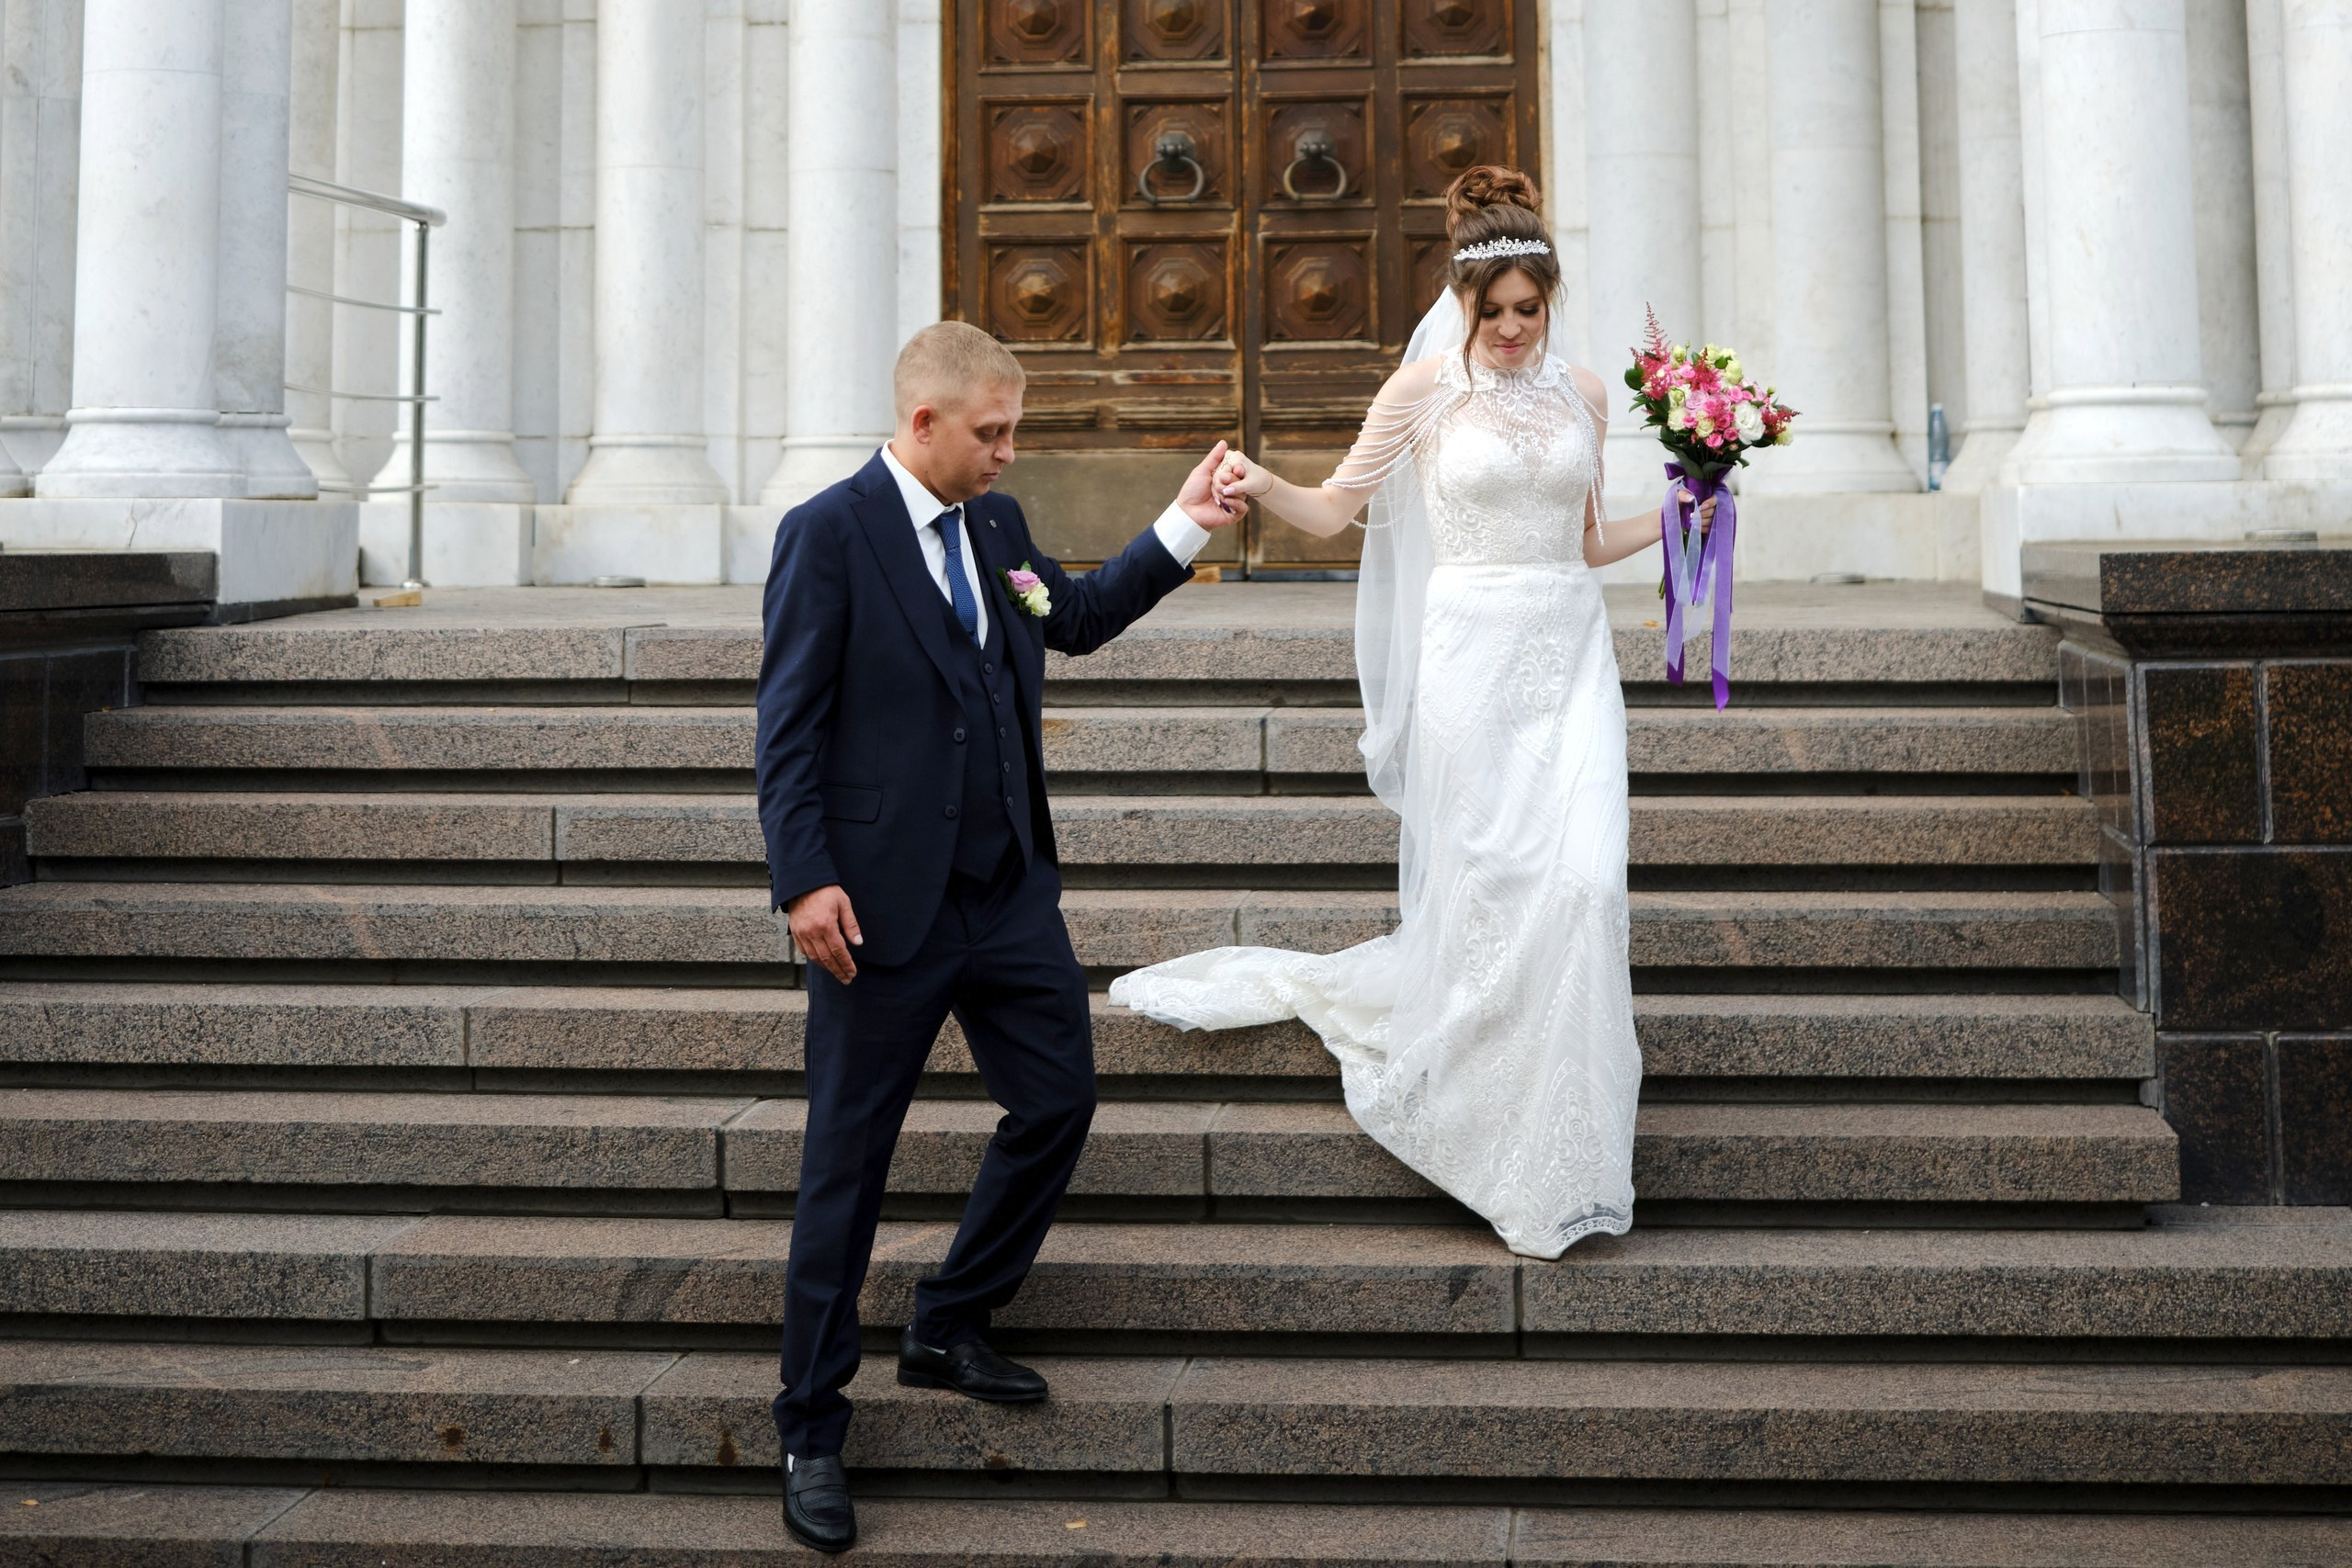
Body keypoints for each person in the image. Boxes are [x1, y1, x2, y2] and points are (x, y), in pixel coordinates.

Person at [1113, 165, 1713, 1261]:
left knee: (1582, 883)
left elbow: (1584, 539)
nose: (1517, 332)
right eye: (1498, 314)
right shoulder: (1424, 390)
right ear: (1467, 304)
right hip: (1472, 658)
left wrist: (1685, 512)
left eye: (1533, 310)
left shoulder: (1583, 393)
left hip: (1568, 647)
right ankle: (1485, 1106)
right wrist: (1257, 482)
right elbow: (1338, 510)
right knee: (1490, 883)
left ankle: (1566, 1142)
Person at [754, 320, 1244, 1553]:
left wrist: (1179, 523)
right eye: (992, 431)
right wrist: (805, 879)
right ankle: (812, 1424)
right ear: (924, 422)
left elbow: (1071, 617)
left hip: (1009, 893)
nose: (1008, 451)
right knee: (844, 1167)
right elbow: (790, 728)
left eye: (1012, 429)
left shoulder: (999, 528)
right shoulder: (826, 534)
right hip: (879, 911)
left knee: (1060, 1098)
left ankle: (947, 1316)